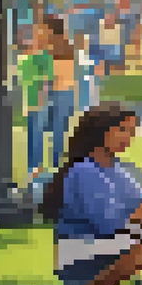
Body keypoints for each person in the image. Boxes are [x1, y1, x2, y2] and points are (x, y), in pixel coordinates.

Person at [41, 104, 142, 285]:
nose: (128, 137)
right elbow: (108, 225)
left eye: (132, 131)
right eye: (122, 130)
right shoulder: (85, 171)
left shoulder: (117, 169)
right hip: (81, 248)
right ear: (101, 131)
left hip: (105, 243)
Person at [20, 22, 56, 183]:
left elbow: (47, 81)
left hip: (39, 100)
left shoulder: (45, 57)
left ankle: (36, 167)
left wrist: (41, 99)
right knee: (31, 134)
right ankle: (31, 167)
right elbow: (23, 82)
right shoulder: (25, 58)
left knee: (37, 133)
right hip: (28, 99)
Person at [45, 16, 79, 175]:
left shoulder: (53, 47)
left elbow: (54, 72)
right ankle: (57, 160)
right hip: (67, 90)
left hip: (58, 90)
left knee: (56, 128)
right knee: (60, 128)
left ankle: (55, 161)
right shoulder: (67, 45)